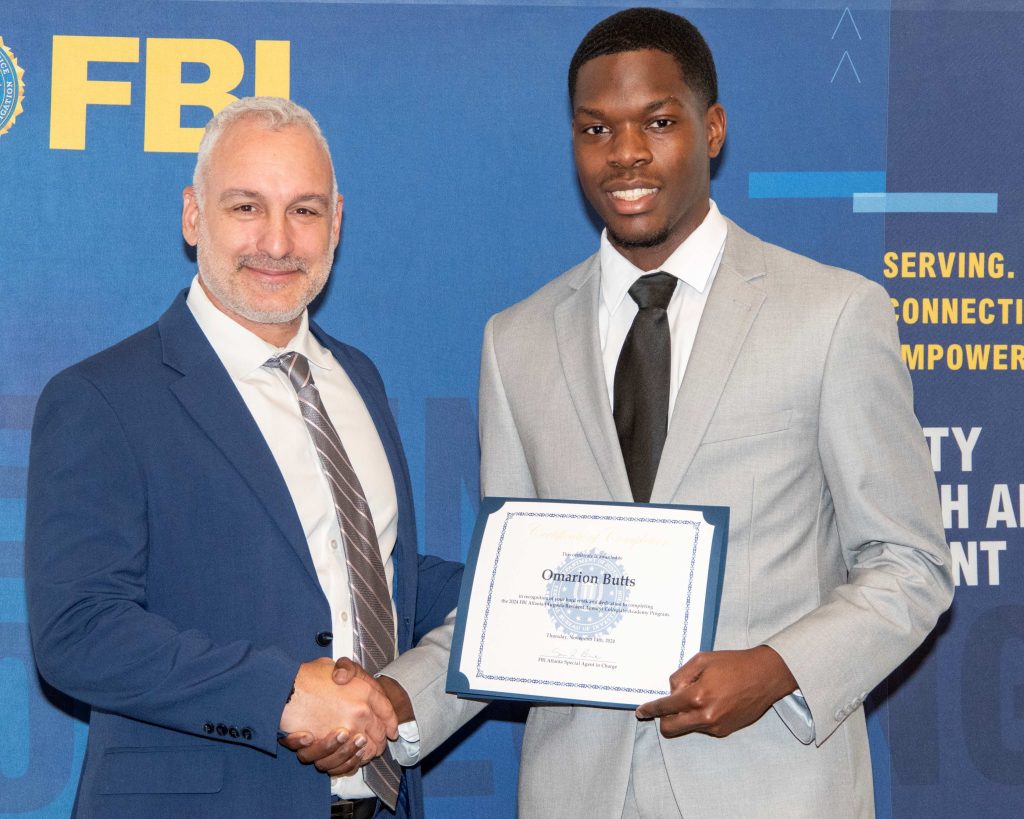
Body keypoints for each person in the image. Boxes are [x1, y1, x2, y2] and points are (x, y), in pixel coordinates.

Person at [307, 8, 954, 817]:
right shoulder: (516, 342)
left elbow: (909, 565)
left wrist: (777, 666)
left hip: (772, 788)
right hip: (576, 791)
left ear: (711, 129)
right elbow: (517, 597)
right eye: (595, 128)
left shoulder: (832, 316)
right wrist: (395, 701)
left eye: (658, 121)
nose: (626, 155)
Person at [24, 97, 462, 819]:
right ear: (194, 216)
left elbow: (374, 577)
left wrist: (531, 586)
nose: (278, 242)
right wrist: (282, 694)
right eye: (246, 207)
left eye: (305, 210)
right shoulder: (100, 397)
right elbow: (79, 630)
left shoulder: (360, 378)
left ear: (338, 221)